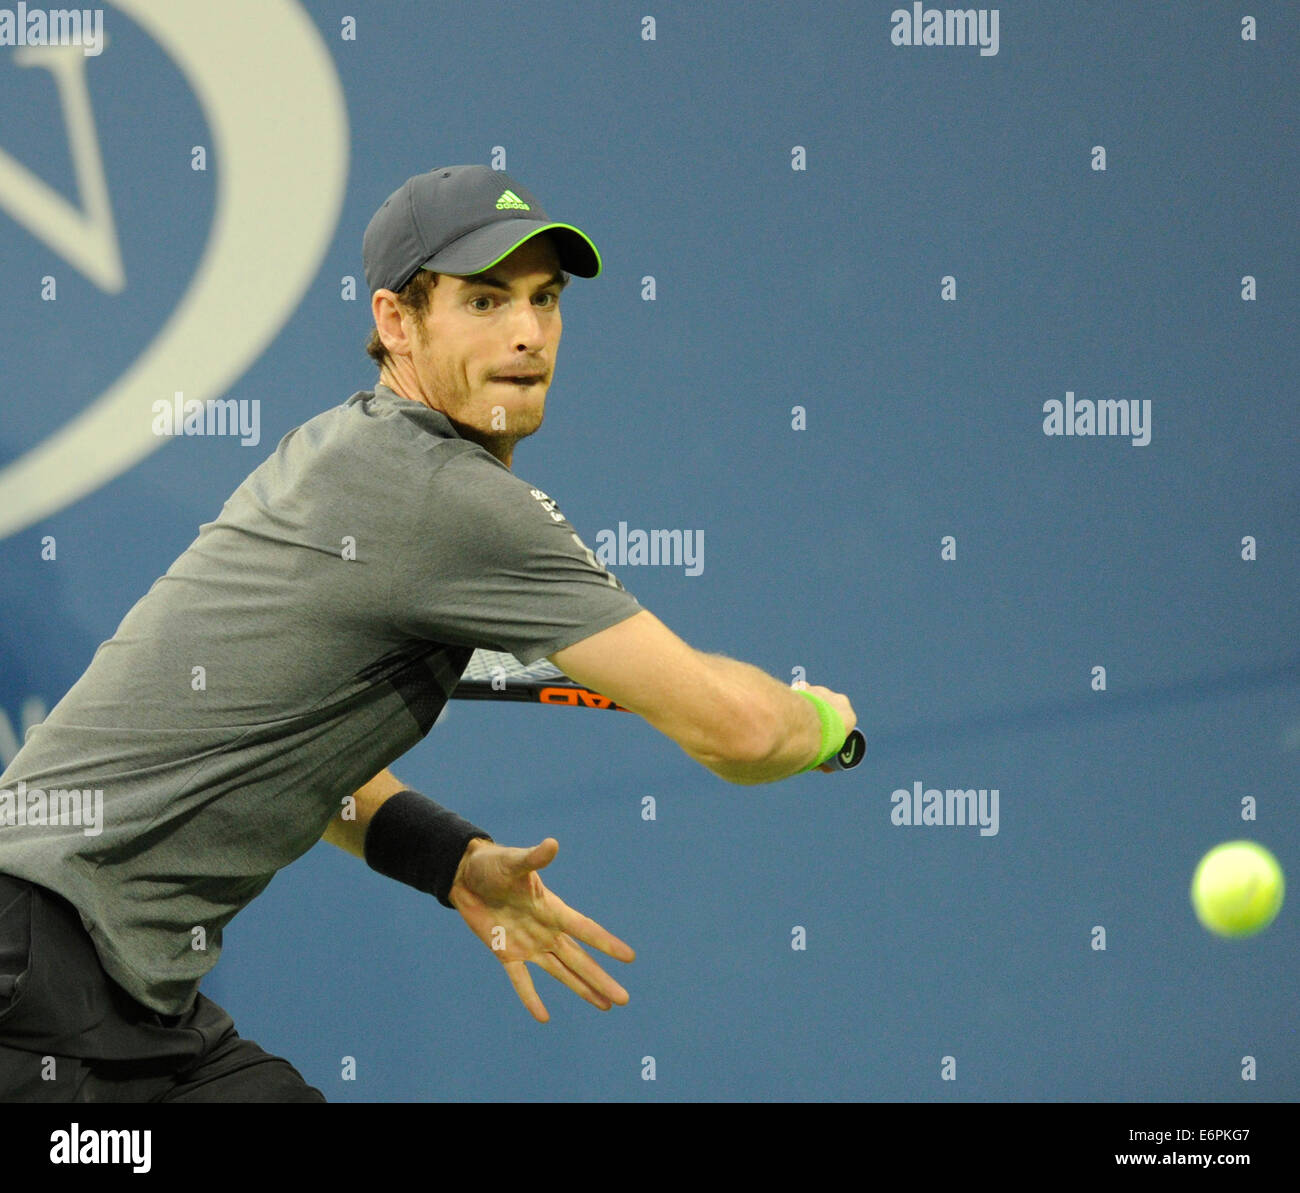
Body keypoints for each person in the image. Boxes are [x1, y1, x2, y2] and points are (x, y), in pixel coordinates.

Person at [0, 165, 856, 1102]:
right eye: (485, 300)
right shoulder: (450, 500)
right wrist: (818, 721)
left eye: (545, 299)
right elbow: (734, 730)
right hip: (37, 978)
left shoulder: (340, 451)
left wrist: (446, 856)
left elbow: (279, 745)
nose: (528, 332)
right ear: (398, 322)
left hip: (114, 997)